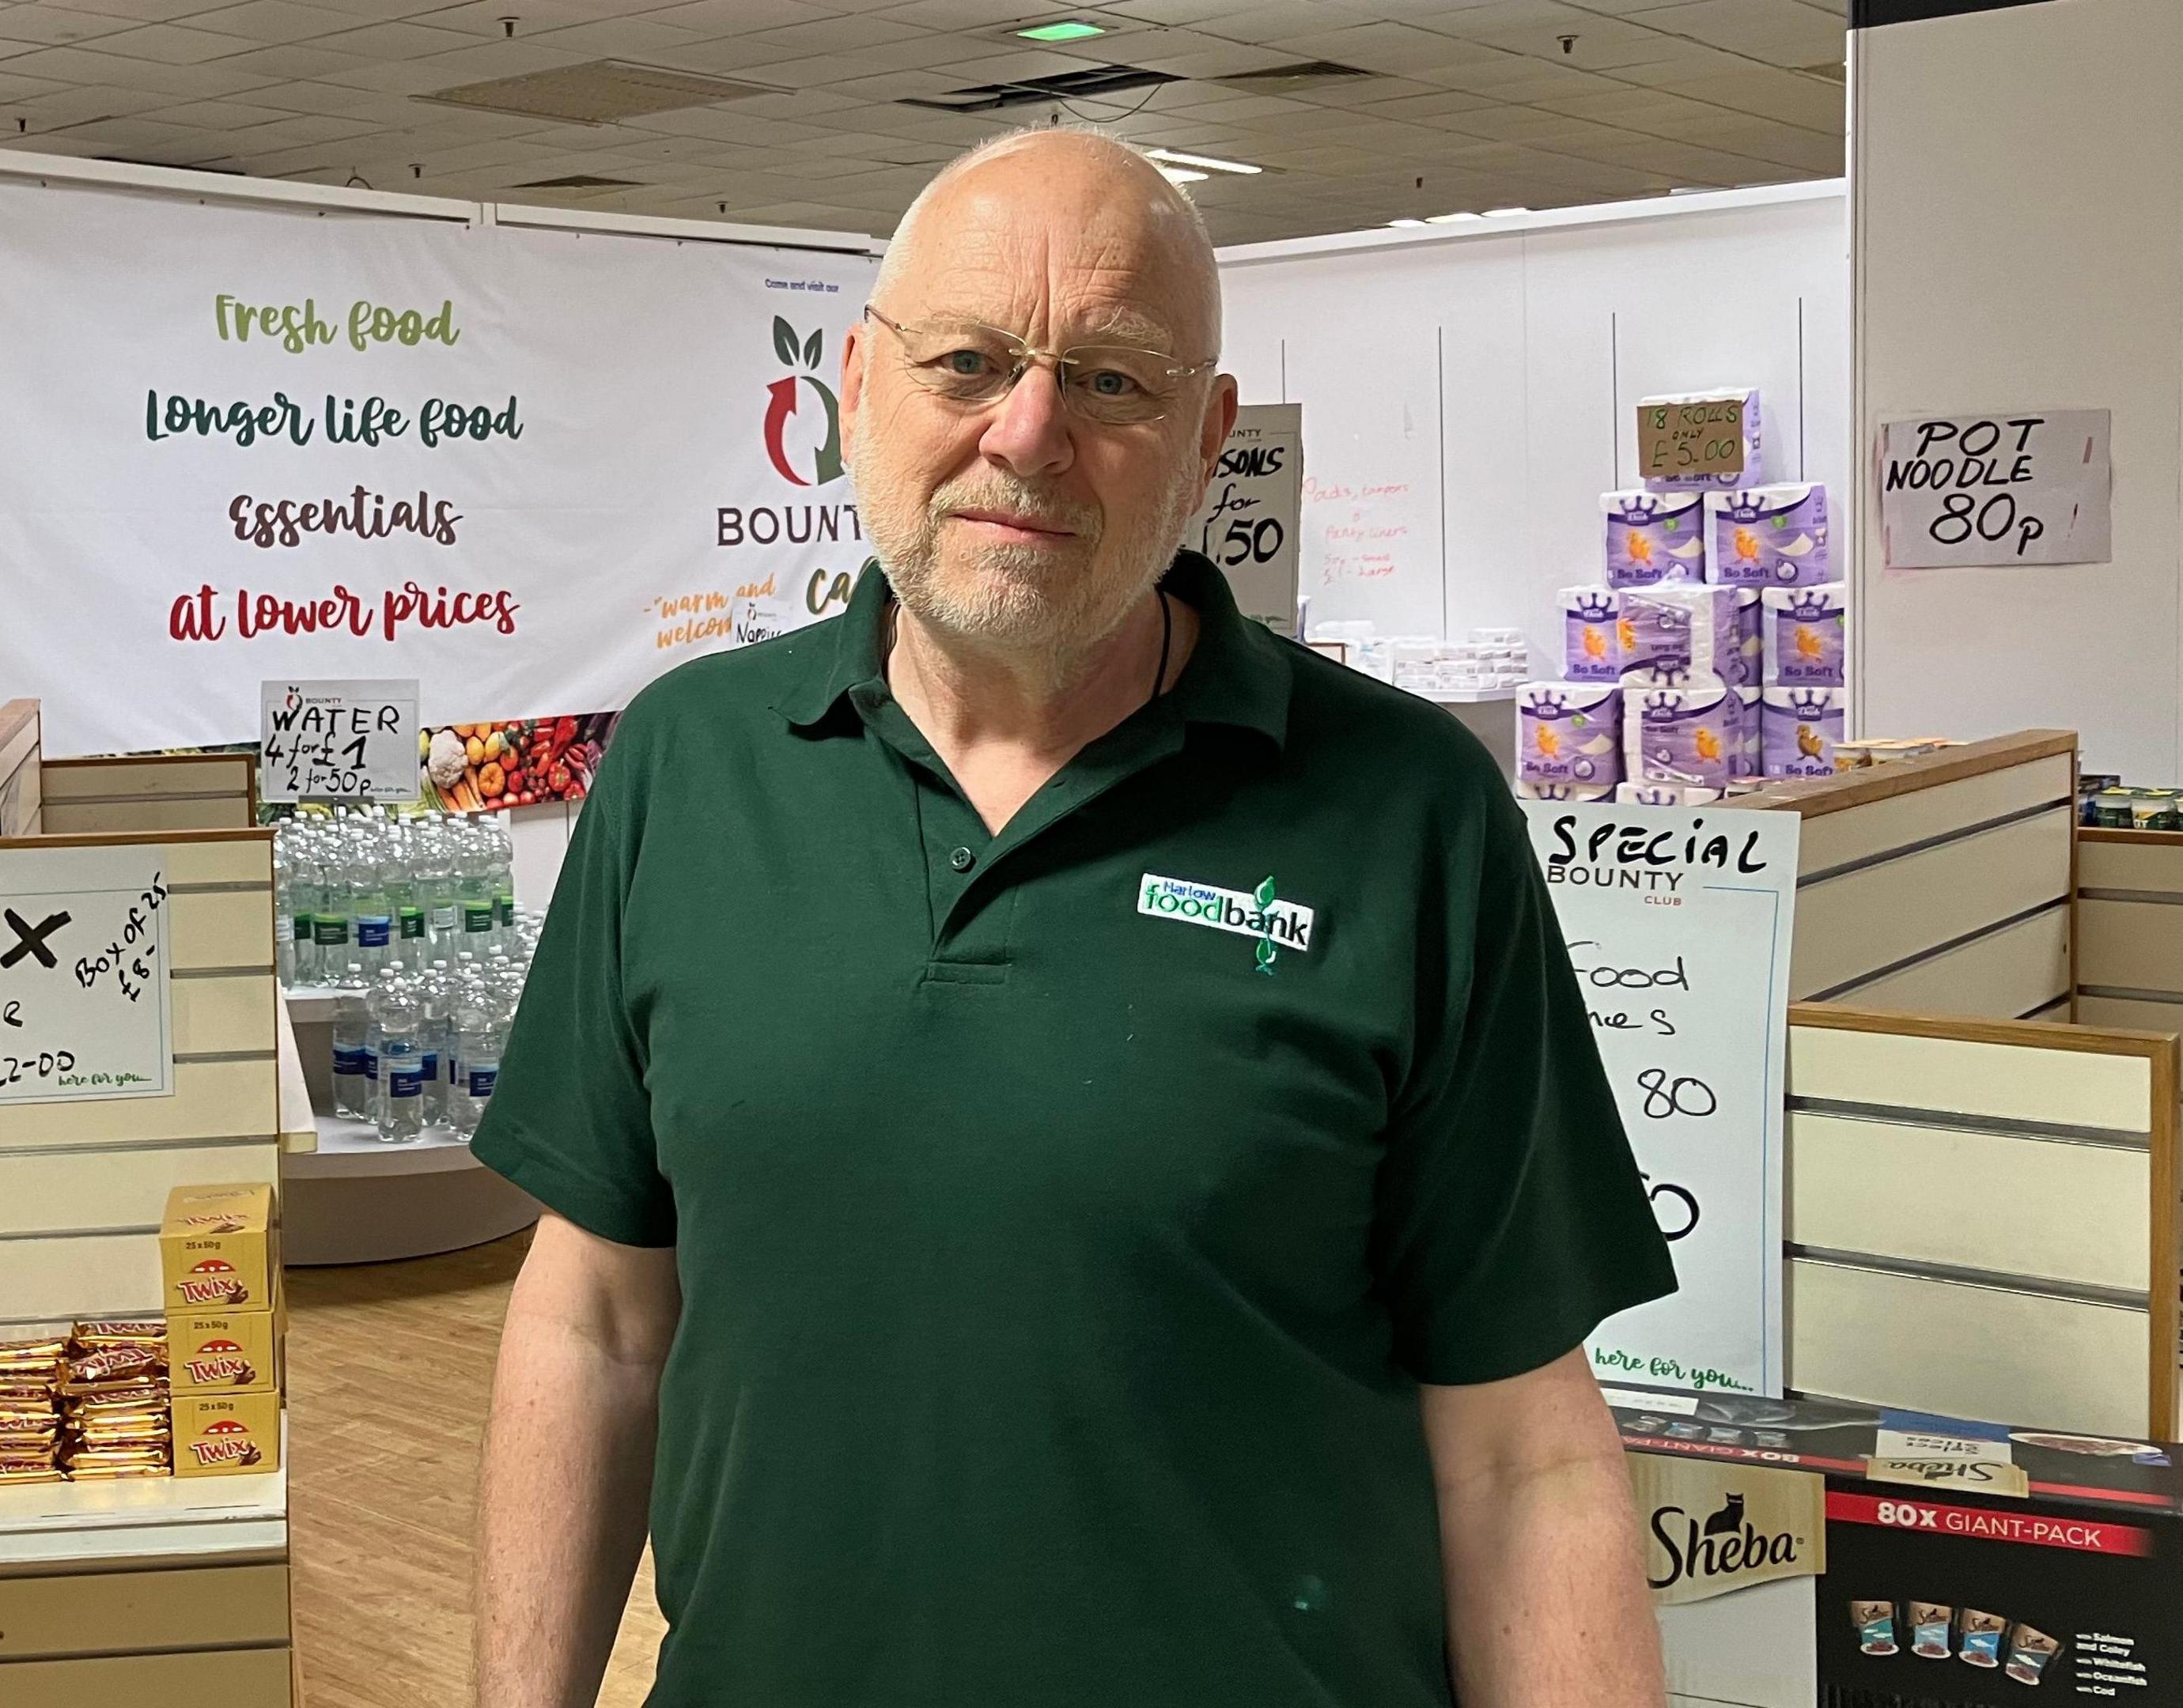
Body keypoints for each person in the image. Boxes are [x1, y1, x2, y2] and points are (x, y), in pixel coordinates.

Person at [471, 125, 1677, 1708]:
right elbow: (598, 1327)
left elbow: (1527, 1460)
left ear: (1208, 438)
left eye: (1113, 380)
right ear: (855, 389)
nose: (1029, 433)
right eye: (969, 361)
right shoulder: (685, 772)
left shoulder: (1409, 813)